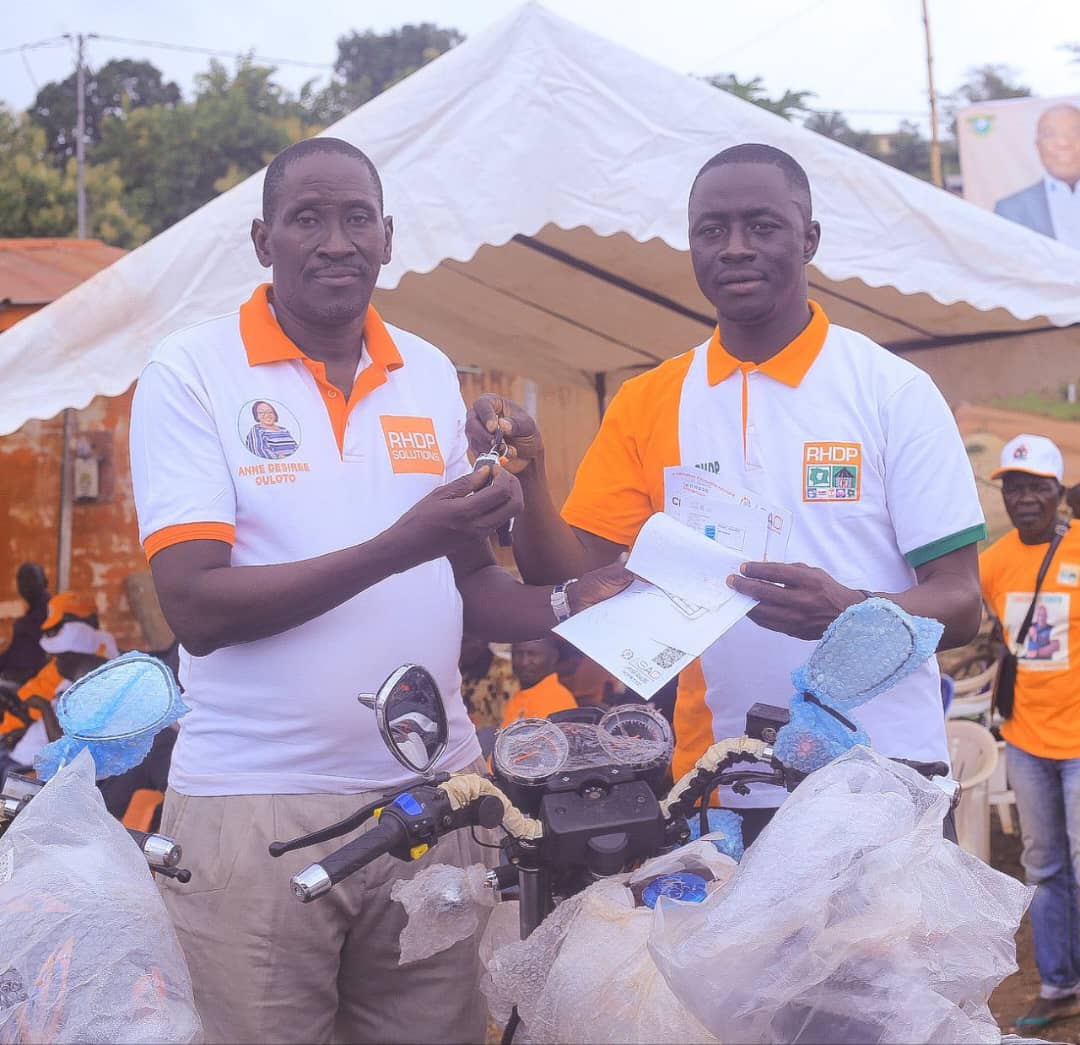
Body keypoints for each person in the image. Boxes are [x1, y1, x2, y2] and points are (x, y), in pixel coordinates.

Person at [127, 137, 629, 1045]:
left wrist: (568, 601)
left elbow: (467, 579)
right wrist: (403, 542)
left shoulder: (430, 373)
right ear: (261, 238)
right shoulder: (190, 373)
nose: (335, 240)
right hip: (256, 808)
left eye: (357, 217)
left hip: (434, 801)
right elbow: (195, 608)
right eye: (306, 218)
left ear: (389, 237)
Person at [470, 142, 984, 834]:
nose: (735, 247)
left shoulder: (892, 391)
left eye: (762, 226)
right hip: (723, 788)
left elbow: (960, 603)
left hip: (886, 784)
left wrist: (847, 610)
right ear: (691, 247)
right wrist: (531, 477)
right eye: (712, 230)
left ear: (809, 239)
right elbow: (567, 579)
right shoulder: (651, 400)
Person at [980, 433, 1080, 1031]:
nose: (1021, 497)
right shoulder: (993, 561)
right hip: (1025, 738)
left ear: (1057, 493)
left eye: (1034, 486)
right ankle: (1059, 984)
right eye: (1012, 486)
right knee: (1043, 866)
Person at [0, 590, 118, 738]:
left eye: (55, 630)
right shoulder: (64, 660)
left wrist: (40, 708)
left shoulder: (93, 667)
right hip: (21, 720)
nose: (50, 638)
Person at [994, 104, 1080, 248]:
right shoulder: (1010, 210)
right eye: (1049, 134)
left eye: (1076, 133)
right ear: (1038, 146)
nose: (1063, 143)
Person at [500, 636, 578, 726]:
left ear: (553, 657)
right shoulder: (518, 697)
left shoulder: (558, 700)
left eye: (533, 654)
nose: (524, 662)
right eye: (518, 654)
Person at [0, 562, 51, 685]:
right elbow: (14, 652)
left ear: (44, 581)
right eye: (21, 580)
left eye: (31, 579)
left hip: (30, 683)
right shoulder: (30, 614)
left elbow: (44, 659)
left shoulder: (51, 613)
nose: (25, 585)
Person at [459, 632, 518, 728]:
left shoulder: (506, 671)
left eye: (466, 641)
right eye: (459, 642)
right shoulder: (456, 670)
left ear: (485, 641)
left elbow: (509, 720)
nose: (462, 647)